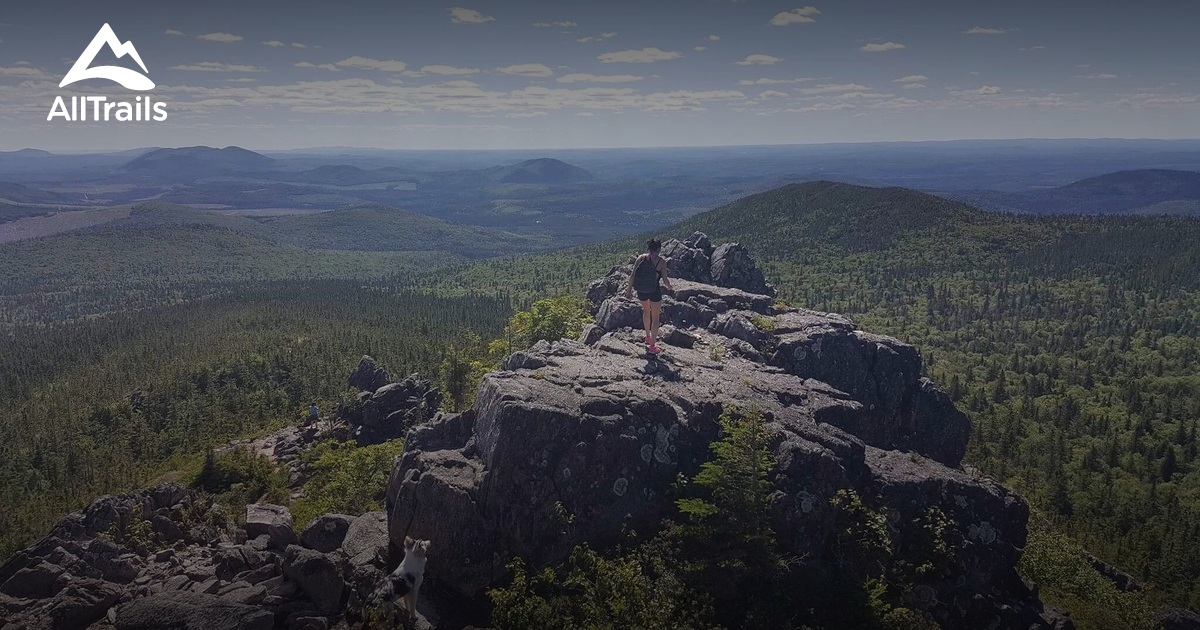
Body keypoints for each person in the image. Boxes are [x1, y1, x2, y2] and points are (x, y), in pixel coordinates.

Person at [624, 238, 674, 354]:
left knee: (646, 311)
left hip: (641, 291)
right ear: (659, 249)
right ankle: (652, 346)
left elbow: (632, 276)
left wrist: (628, 290)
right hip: (654, 291)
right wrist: (670, 287)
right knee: (656, 318)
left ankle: (647, 337)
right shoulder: (661, 262)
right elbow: (665, 280)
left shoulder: (641, 258)